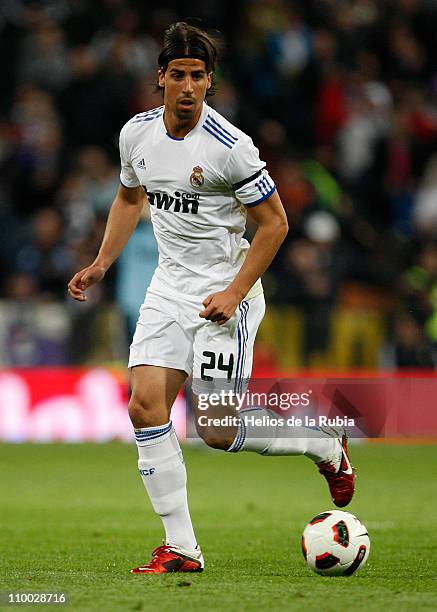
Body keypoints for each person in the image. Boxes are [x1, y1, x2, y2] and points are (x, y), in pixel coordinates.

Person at [68, 22, 355, 574]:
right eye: (177, 74)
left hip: (226, 292)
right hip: (168, 288)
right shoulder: (137, 135)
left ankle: (324, 444)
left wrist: (235, 290)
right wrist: (102, 262)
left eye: (198, 76)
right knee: (144, 406)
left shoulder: (231, 149)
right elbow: (130, 200)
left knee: (218, 430)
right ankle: (182, 548)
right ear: (161, 78)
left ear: (210, 83)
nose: (187, 86)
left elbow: (274, 225)